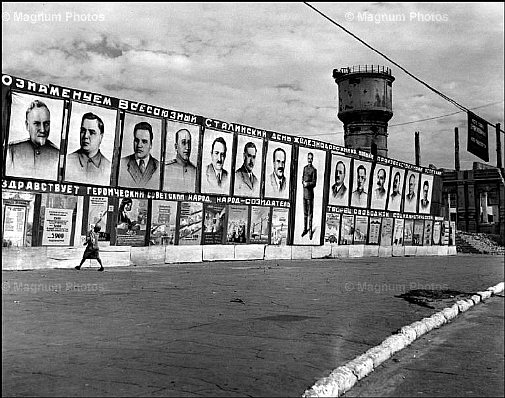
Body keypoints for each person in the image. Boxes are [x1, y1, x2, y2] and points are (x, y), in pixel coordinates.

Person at [6, 100, 59, 179]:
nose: (42, 130)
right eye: (37, 124)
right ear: (27, 125)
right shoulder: (12, 151)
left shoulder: (57, 154)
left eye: (46, 124)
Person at [65, 112, 111, 185]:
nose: (85, 136)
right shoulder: (67, 161)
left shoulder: (109, 168)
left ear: (101, 137)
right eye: (83, 131)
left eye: (92, 132)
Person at [119, 122, 160, 189]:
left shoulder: (159, 167)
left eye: (144, 141)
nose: (139, 145)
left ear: (151, 145)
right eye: (136, 140)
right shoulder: (122, 163)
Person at [301, 152, 317, 239]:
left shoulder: (314, 170)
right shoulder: (304, 168)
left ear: (312, 159)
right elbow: (302, 178)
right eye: (308, 158)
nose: (309, 160)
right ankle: (305, 229)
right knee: (305, 213)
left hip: (310, 195)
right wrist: (303, 182)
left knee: (310, 214)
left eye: (311, 158)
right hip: (304, 194)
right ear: (307, 159)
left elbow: (314, 183)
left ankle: (310, 230)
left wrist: (307, 184)